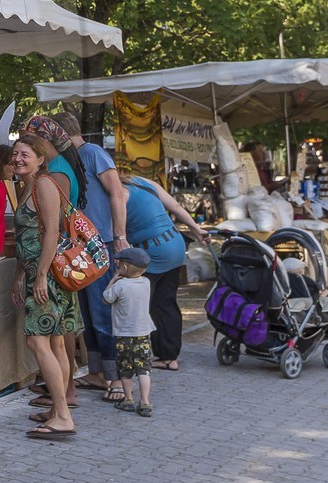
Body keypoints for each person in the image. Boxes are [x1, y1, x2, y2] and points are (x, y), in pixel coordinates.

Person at [52, 112, 128, 400]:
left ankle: (119, 378)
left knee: (102, 312)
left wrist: (119, 237)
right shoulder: (72, 159)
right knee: (88, 314)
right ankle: (98, 373)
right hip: (80, 247)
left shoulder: (93, 152)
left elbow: (117, 194)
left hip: (100, 244)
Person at [10, 133, 80, 441]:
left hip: (48, 277)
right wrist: (19, 274)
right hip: (41, 273)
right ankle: (58, 409)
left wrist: (38, 276)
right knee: (54, 344)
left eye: (25, 154)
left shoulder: (43, 184)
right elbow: (29, 236)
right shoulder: (27, 187)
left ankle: (63, 415)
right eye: (15, 154)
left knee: (37, 343)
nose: (18, 159)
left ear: (41, 160)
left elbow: (52, 233)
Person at [120, 174, 208, 370]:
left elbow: (118, 232)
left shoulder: (120, 194)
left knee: (140, 306)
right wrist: (196, 230)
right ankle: (169, 357)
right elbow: (175, 207)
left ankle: (136, 358)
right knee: (165, 302)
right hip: (175, 245)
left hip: (154, 251)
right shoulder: (143, 181)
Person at [102, 248, 154, 417]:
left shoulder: (120, 285)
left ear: (124, 267)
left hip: (124, 335)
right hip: (143, 333)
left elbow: (105, 298)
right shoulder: (146, 282)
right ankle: (145, 402)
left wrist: (113, 279)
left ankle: (128, 400)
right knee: (143, 369)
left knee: (125, 368)